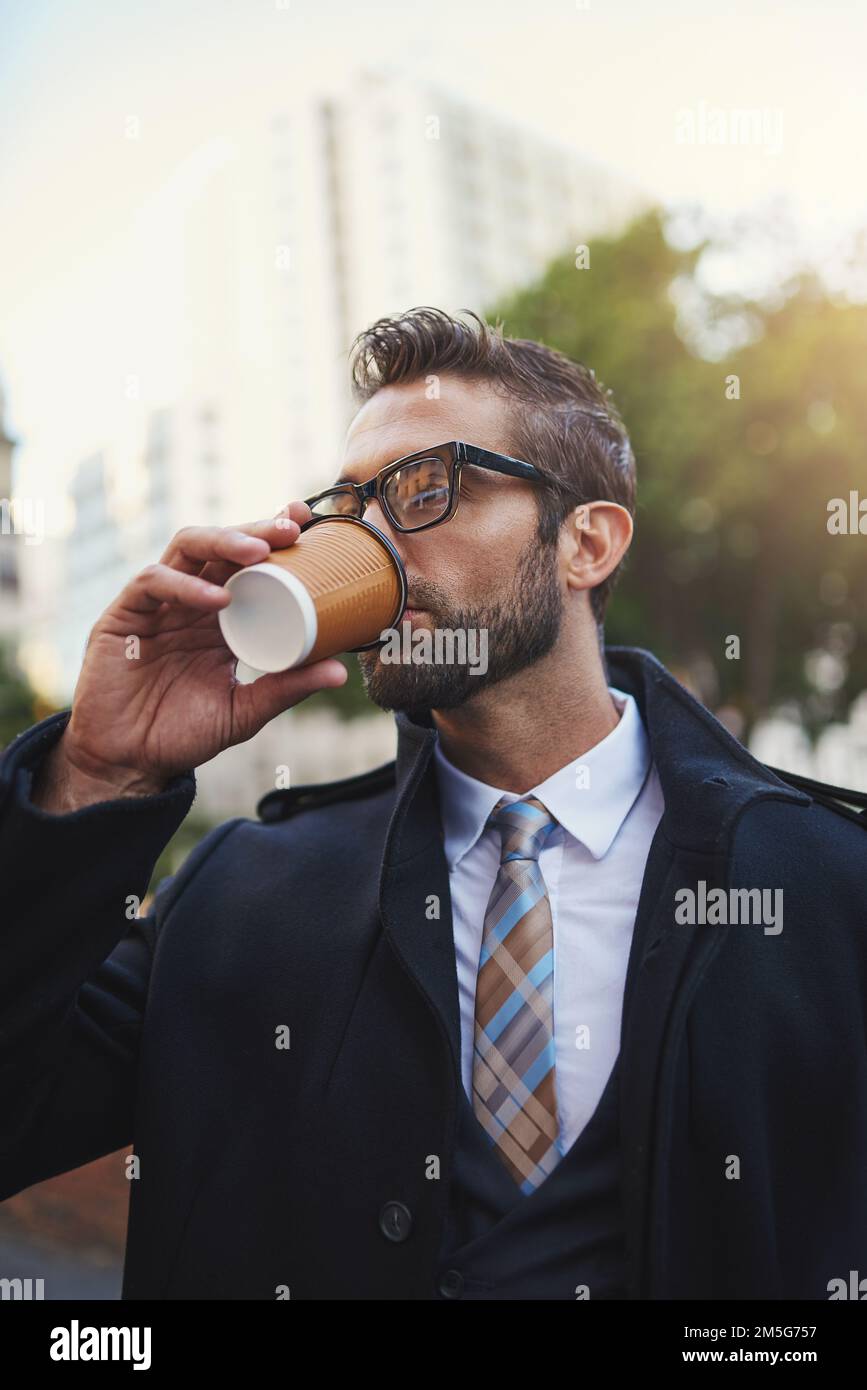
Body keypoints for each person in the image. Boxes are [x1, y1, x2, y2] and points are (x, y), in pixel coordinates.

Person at [1, 307, 864, 1301]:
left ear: (587, 542)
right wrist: (98, 771)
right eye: (347, 506)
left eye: (422, 488)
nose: (370, 539)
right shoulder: (242, 890)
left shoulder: (825, 889)